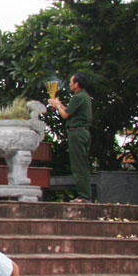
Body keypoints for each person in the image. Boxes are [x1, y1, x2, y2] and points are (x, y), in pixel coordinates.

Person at [48, 72, 93, 202]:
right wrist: (59, 104)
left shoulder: (79, 96)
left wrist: (56, 106)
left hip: (77, 133)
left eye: (71, 82)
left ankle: (84, 196)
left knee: (79, 165)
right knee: (82, 164)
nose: (70, 84)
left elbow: (65, 115)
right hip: (82, 132)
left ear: (77, 84)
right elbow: (68, 110)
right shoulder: (83, 96)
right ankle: (85, 195)